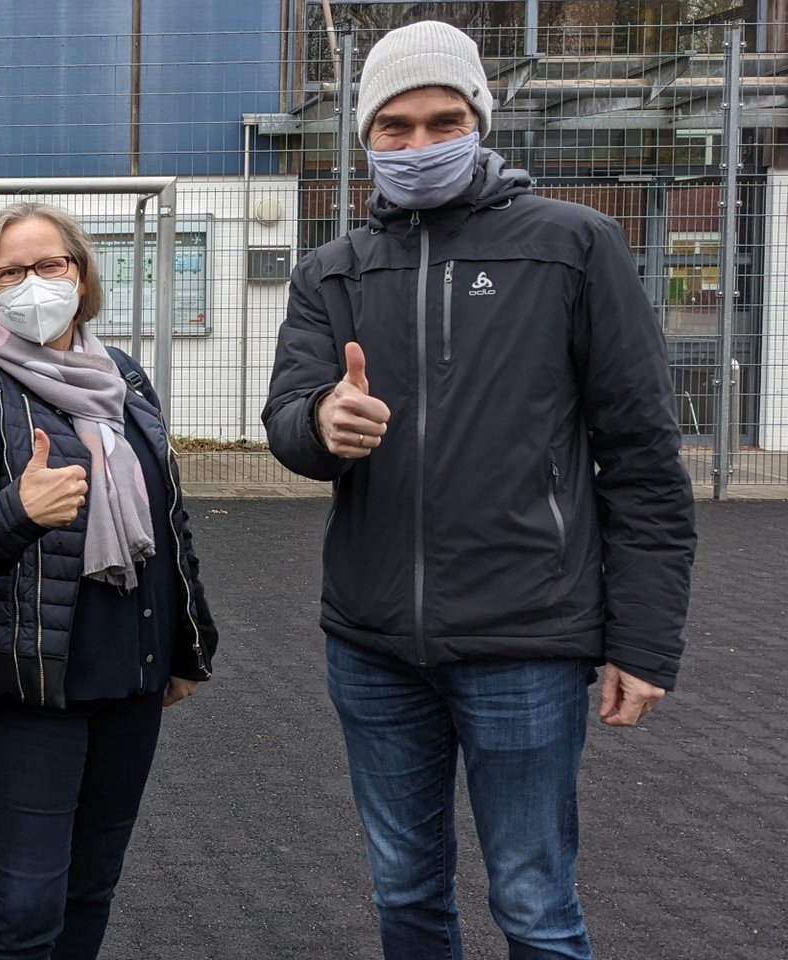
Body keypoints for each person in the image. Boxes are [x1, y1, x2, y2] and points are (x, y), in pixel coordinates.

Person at [263, 21, 696, 959]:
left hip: (527, 640)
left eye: (443, 120)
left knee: (536, 901)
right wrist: (322, 426)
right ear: (364, 134)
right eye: (395, 126)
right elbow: (289, 423)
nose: (420, 145)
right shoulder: (332, 270)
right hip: (373, 647)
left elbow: (643, 459)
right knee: (405, 892)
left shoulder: (574, 247)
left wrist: (646, 641)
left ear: (480, 121)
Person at [0, 201, 218, 960]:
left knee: (90, 892)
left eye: (50, 264)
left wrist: (184, 648)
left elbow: (169, 520)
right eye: (10, 270)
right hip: (27, 687)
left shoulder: (123, 379)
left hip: (131, 678)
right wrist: (18, 509)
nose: (34, 283)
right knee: (22, 909)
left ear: (83, 277)